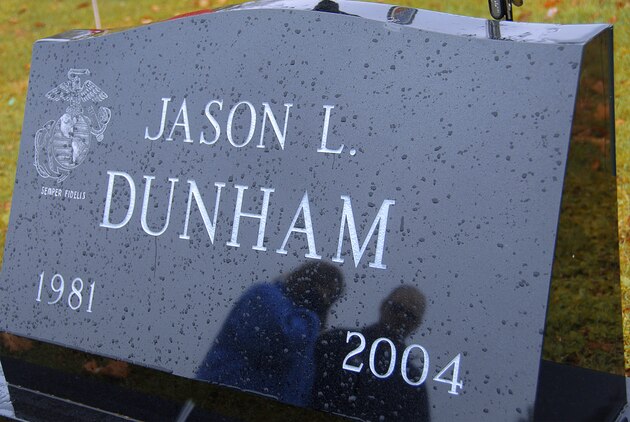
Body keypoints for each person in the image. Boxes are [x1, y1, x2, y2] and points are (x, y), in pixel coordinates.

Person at [196, 262, 344, 407]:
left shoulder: (306, 327)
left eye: (331, 293)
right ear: (304, 277)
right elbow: (282, 342)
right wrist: (311, 311)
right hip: (223, 405)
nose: (324, 295)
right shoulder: (265, 295)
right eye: (321, 285)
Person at [311, 285, 430, 421]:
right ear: (383, 306)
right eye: (397, 308)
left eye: (410, 315)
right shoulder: (336, 341)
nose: (401, 317)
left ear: (417, 324)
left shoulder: (413, 380)